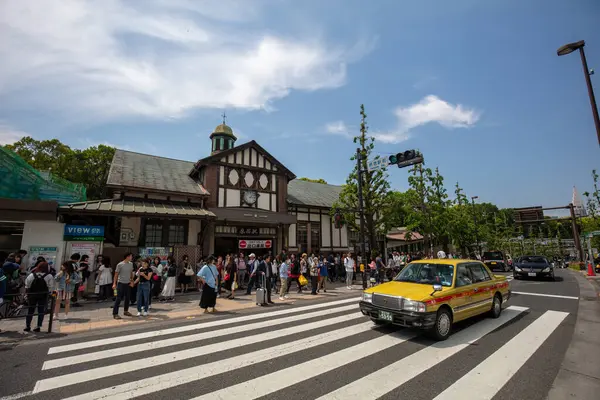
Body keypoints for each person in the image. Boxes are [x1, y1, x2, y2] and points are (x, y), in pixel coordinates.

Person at [24, 261, 54, 332]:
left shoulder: (31, 275)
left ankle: (27, 326)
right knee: (41, 311)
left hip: (32, 295)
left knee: (30, 311)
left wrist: (27, 294)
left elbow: (27, 285)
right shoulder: (49, 276)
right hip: (43, 295)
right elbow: (51, 287)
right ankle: (38, 326)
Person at [112, 253, 134, 319]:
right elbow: (116, 274)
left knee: (127, 298)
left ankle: (126, 311)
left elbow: (131, 273)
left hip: (128, 283)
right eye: (131, 256)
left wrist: (132, 281)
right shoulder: (120, 264)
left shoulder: (131, 264)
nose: (131, 257)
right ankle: (115, 313)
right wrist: (114, 283)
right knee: (118, 298)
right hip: (121, 283)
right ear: (127, 257)